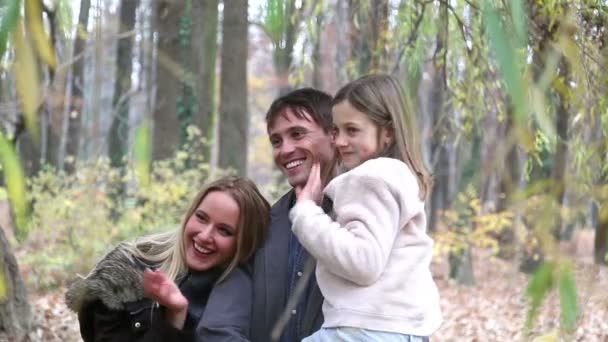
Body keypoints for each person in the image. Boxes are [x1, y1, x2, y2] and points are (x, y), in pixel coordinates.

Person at [289, 74, 442, 341]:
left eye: (353, 130)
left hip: (362, 328)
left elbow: (363, 261)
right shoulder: (399, 177)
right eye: (336, 131)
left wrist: (306, 213)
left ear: (388, 133)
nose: (339, 141)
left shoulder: (369, 177)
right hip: (401, 328)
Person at [65, 176, 270, 342]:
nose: (205, 236)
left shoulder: (243, 297)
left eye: (224, 230)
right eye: (201, 218)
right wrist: (173, 320)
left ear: (243, 245)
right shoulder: (124, 271)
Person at [251, 88, 337, 342]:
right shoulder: (264, 224)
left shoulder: (362, 213)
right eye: (276, 141)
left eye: (297, 134)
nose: (285, 150)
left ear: (334, 135)